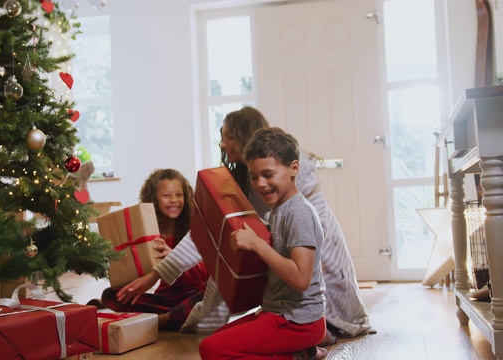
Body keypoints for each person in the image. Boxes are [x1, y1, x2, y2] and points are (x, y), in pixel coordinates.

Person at [117, 107, 371, 340]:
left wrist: (262, 245)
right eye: (222, 136)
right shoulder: (239, 178)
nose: (223, 143)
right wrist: (156, 274)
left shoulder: (295, 181)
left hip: (309, 257)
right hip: (276, 257)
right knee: (227, 258)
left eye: (229, 137)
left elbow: (310, 235)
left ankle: (313, 329)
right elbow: (207, 232)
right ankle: (191, 320)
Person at [199, 127, 325, 359]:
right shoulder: (279, 210)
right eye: (254, 176)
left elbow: (301, 279)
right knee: (216, 337)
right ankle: (303, 351)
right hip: (276, 312)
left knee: (210, 349)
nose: (260, 184)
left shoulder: (299, 213)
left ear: (293, 168)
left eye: (268, 174)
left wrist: (258, 245)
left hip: (297, 321)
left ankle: (295, 355)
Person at [98, 168, 209, 330]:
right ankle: (177, 315)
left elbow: (204, 274)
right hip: (165, 299)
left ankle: (161, 320)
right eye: (166, 195)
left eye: (179, 195)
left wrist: (174, 256)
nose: (174, 200)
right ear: (154, 199)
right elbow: (141, 276)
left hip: (193, 293)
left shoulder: (194, 228)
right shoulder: (148, 232)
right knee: (110, 295)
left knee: (210, 291)